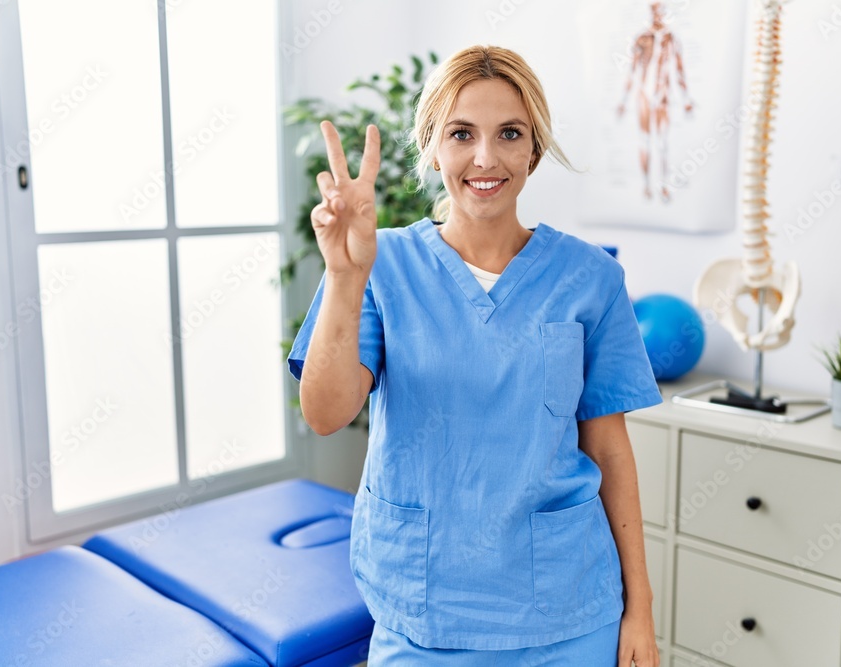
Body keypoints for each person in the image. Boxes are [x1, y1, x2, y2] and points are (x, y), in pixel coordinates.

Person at [288, 45, 663, 666]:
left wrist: (640, 609)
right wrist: (345, 276)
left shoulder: (591, 279)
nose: (485, 158)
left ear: (533, 152)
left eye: (509, 134)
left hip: (566, 613)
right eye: (461, 134)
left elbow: (608, 450)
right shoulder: (374, 264)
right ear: (433, 147)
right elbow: (326, 414)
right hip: (423, 612)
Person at [617, 1, 694, 203]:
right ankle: (646, 186)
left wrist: (686, 99)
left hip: (662, 96)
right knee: (644, 140)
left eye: (661, 11)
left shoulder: (671, 39)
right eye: (655, 11)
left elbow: (679, 70)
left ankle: (664, 186)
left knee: (662, 142)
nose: (658, 15)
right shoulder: (642, 38)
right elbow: (632, 71)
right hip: (644, 94)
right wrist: (624, 101)